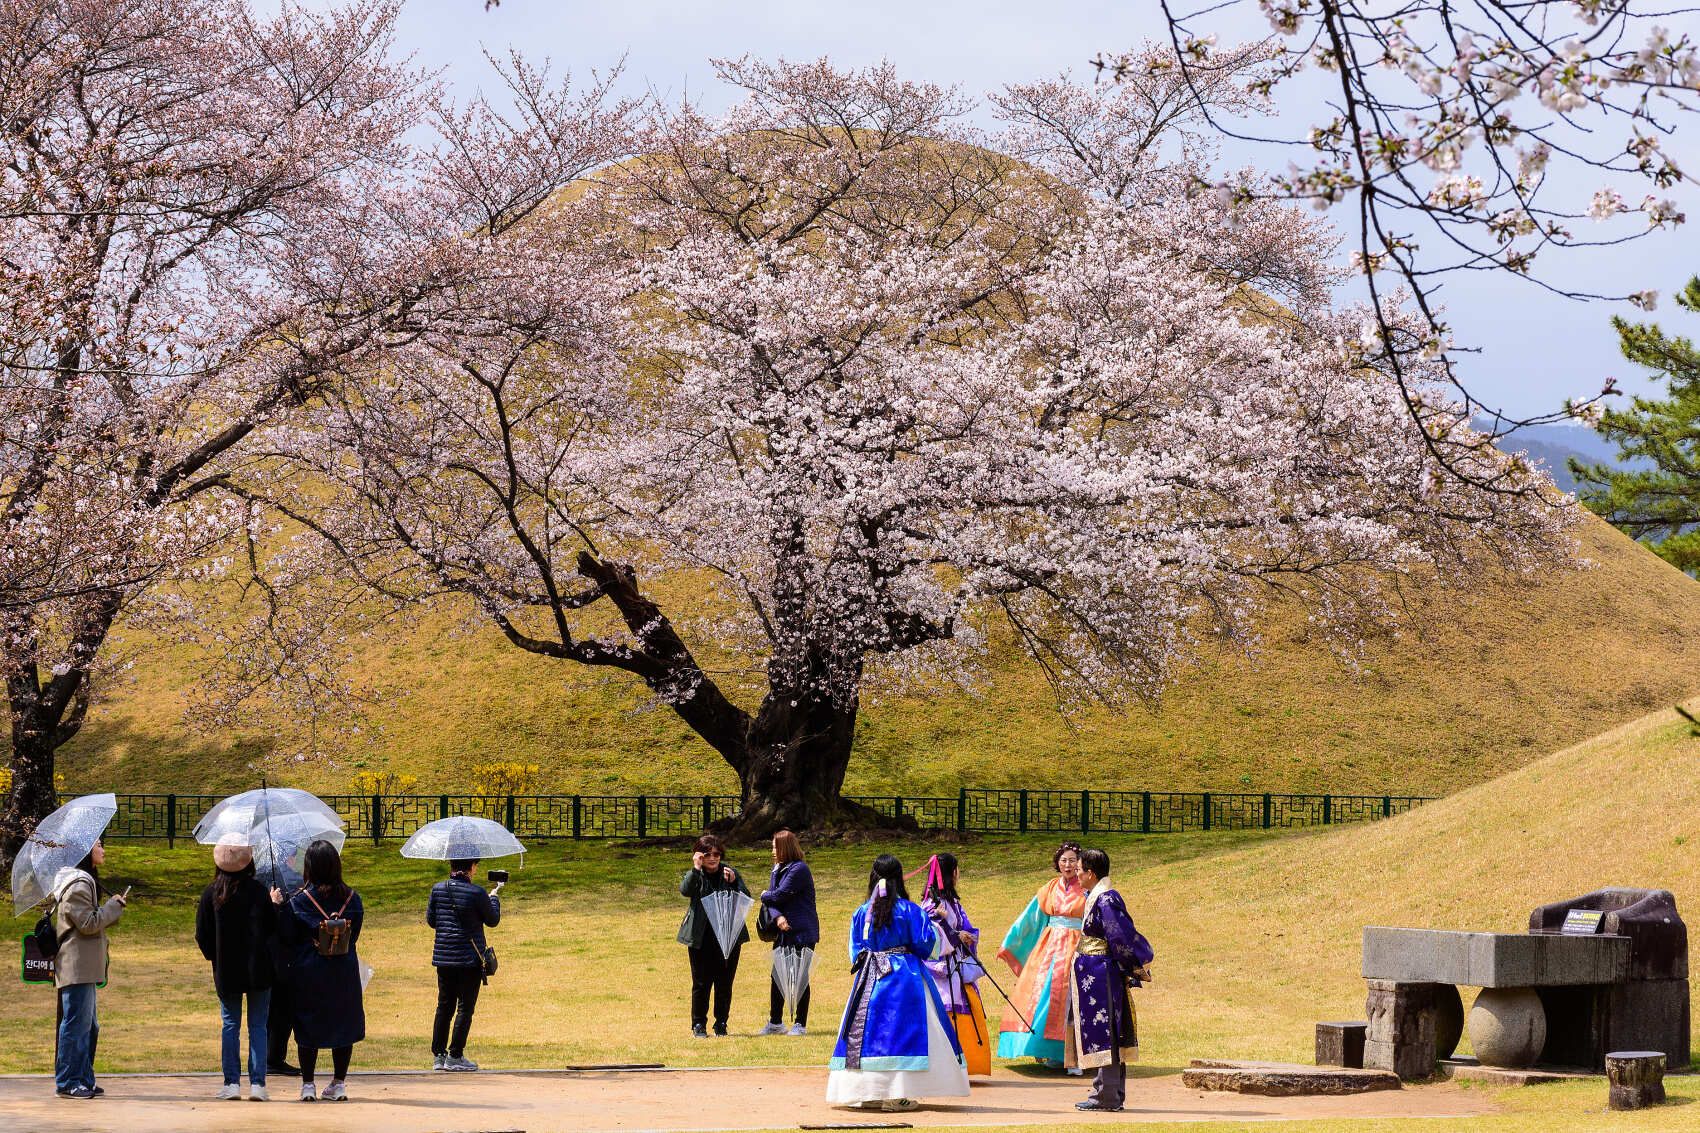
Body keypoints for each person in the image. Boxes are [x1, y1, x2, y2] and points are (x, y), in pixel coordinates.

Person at [827, 854, 970, 1114]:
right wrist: (938, 926)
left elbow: (855, 950)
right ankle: (898, 1094)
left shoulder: (862, 912)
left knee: (867, 1034)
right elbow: (927, 945)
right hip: (906, 979)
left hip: (870, 979)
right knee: (904, 1033)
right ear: (899, 878)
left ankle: (869, 1093)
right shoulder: (909, 911)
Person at [1067, 848, 1154, 1113]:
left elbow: (1121, 935)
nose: (1077, 874)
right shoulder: (1098, 896)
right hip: (1094, 973)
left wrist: (1132, 965)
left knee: (1107, 1033)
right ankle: (1108, 1093)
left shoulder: (1106, 899)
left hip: (1102, 973)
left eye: (1079, 870)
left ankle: (1106, 1096)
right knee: (1103, 1032)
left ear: (1091, 873)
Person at [277, 840, 365, 1102]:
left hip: (309, 971)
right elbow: (354, 936)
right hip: (344, 970)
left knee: (308, 1024)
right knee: (343, 1024)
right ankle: (338, 1083)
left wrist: (278, 907)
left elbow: (288, 937)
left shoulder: (299, 901)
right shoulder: (353, 899)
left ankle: (308, 1084)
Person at [196, 834, 277, 1101]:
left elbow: (202, 934)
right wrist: (275, 905)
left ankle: (231, 1083)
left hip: (226, 970)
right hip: (259, 969)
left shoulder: (211, 893)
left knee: (230, 1024)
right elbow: (272, 929)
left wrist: (215, 957)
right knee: (258, 1026)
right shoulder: (259, 891)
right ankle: (258, 1084)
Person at [995, 841, 1087, 1069]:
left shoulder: (1087, 888)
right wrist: (1010, 942)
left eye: (1072, 861)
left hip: (1077, 947)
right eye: (1064, 860)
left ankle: (1073, 1054)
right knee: (1041, 995)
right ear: (1057, 863)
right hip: (1050, 948)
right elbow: (1030, 919)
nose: (1068, 865)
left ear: (1080, 864)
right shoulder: (1049, 888)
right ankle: (1046, 1051)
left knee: (1071, 999)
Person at [49, 838, 126, 1100]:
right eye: (98, 846)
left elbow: (91, 921)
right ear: (85, 852)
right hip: (76, 965)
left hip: (85, 966)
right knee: (75, 1025)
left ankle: (83, 1078)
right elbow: (88, 924)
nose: (103, 850)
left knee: (89, 1026)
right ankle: (68, 1082)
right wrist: (113, 907)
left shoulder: (85, 882)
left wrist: (111, 907)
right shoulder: (78, 885)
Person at [426, 857, 503, 1071]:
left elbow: (432, 920)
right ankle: (455, 1055)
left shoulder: (438, 889)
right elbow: (493, 920)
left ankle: (439, 1056)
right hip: (469, 959)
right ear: (471, 867)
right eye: (475, 865)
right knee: (465, 1008)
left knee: (444, 1006)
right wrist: (494, 899)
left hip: (444, 957)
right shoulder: (477, 893)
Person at [920, 853, 991, 1077]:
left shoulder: (953, 903)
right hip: (942, 970)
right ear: (952, 873)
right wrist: (955, 935)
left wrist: (966, 935)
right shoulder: (931, 905)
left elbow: (965, 927)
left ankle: (966, 1063)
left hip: (957, 965)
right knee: (945, 1007)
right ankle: (948, 1065)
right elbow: (929, 937)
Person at [678, 833, 750, 1037]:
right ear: (699, 855)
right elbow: (685, 890)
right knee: (701, 983)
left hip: (728, 937)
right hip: (701, 937)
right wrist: (695, 868)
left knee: (724, 983)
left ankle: (721, 1023)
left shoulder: (729, 872)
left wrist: (734, 882)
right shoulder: (696, 874)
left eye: (716, 854)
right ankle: (698, 1024)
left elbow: (746, 898)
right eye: (707, 854)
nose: (712, 858)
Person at [758, 829, 818, 1036]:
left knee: (799, 977)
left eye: (775, 847)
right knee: (778, 976)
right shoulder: (777, 869)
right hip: (783, 930)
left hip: (801, 931)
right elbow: (773, 901)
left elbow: (779, 895)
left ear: (785, 847)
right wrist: (778, 917)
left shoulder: (799, 869)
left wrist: (765, 895)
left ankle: (800, 1023)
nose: (773, 851)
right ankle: (775, 1022)